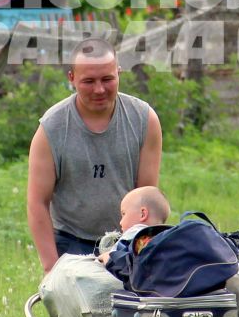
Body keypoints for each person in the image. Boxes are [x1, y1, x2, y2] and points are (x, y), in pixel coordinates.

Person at [26, 39, 162, 272]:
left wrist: (136, 248)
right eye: (88, 81)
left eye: (107, 79)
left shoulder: (144, 119)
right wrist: (52, 267)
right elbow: (37, 202)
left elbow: (146, 199)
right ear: (71, 78)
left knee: (128, 307)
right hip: (70, 240)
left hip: (126, 239)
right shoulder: (52, 128)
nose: (99, 89)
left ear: (118, 73)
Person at [100, 185, 172, 282]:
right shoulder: (164, 237)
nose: (120, 222)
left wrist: (105, 257)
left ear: (143, 214)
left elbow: (118, 259)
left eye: (124, 214)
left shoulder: (135, 234)